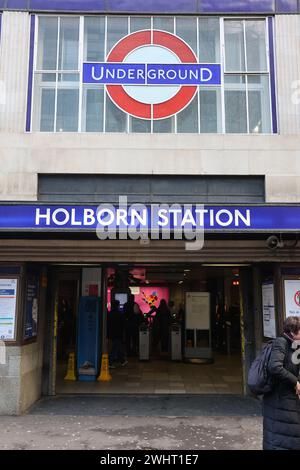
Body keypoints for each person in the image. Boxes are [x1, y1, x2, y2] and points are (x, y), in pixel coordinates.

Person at [263, 316, 300, 450]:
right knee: (281, 437)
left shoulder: (293, 345)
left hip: (287, 400)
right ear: (293, 331)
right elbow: (275, 367)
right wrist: (295, 382)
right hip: (279, 399)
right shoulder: (281, 342)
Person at [107, 300, 128, 367]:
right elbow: (123, 324)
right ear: (117, 306)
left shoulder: (109, 314)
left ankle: (122, 361)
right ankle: (110, 363)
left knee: (117, 347)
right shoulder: (119, 314)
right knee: (115, 348)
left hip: (111, 333)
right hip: (118, 333)